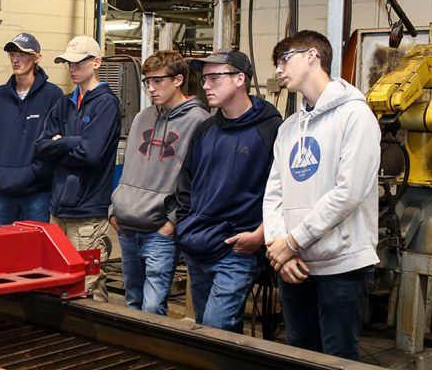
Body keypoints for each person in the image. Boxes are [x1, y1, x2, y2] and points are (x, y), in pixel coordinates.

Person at [263, 30, 380, 360]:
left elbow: (349, 192)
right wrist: (278, 247)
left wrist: (293, 241)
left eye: (284, 60)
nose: (278, 71)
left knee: (337, 362)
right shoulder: (288, 129)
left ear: (312, 56)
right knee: (301, 358)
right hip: (293, 265)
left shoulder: (356, 116)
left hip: (341, 266)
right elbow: (274, 193)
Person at [176, 49, 282, 333]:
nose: (205, 85)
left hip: (238, 248)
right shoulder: (204, 129)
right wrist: (184, 226)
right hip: (198, 245)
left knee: (215, 325)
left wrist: (261, 235)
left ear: (239, 79)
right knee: (209, 329)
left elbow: (282, 190)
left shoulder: (271, 129)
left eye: (214, 77)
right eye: (203, 78)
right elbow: (186, 184)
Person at [110, 50, 209, 315]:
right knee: (132, 301)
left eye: (157, 81)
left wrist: (172, 222)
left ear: (178, 79)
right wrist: (114, 210)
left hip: (159, 230)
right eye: (147, 82)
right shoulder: (142, 118)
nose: (151, 89)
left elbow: (197, 181)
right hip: (127, 225)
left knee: (153, 306)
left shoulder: (199, 122)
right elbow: (128, 169)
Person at [34, 35, 121, 302]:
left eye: (78, 62)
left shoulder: (106, 105)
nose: (72, 68)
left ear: (96, 62)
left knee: (88, 284)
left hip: (87, 212)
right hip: (59, 208)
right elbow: (41, 147)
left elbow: (91, 154)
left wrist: (64, 142)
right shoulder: (64, 103)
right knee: (61, 280)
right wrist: (72, 145)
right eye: (68, 63)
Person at [0, 32, 62, 224]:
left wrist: (34, 174)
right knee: (1, 250)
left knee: (35, 249)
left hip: (37, 193)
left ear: (37, 58)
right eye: (12, 54)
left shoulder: (53, 96)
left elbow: (55, 145)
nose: (16, 59)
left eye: (22, 54)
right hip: (3, 193)